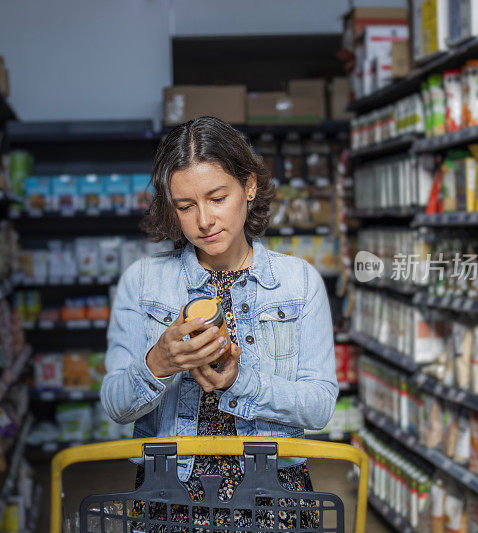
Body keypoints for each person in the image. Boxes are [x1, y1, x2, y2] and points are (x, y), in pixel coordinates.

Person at [100, 116, 338, 530]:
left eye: (217, 197)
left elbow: (319, 408)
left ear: (248, 187)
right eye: (185, 206)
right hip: (169, 500)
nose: (204, 221)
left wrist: (239, 381)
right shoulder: (142, 283)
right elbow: (117, 405)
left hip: (273, 498)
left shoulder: (298, 283)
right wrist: (158, 362)